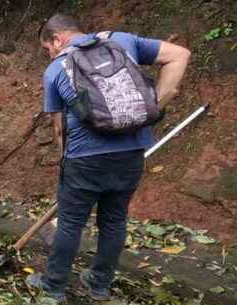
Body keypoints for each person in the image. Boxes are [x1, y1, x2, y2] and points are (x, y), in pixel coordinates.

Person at [25, 14, 191, 303]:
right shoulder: (122, 40)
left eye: (46, 48)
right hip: (130, 152)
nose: (48, 54)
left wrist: (66, 161)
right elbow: (179, 55)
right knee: (114, 220)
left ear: (57, 38)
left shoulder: (55, 68)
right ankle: (99, 286)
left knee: (69, 223)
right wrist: (152, 109)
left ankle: (53, 288)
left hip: (84, 158)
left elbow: (58, 128)